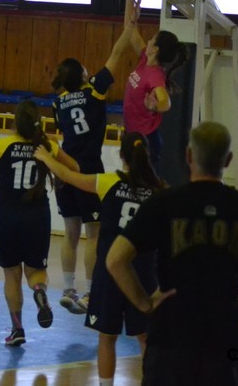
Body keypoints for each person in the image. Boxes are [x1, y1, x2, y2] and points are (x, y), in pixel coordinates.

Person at [106, 121, 238, 386]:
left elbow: (115, 260)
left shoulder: (164, 203)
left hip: (171, 335)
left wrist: (145, 304)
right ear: (228, 160)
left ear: (189, 156)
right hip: (224, 337)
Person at [35, 131, 165, 386]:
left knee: (107, 337)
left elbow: (68, 176)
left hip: (111, 273)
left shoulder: (108, 182)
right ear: (147, 155)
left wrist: (46, 157)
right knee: (145, 338)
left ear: (121, 156)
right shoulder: (159, 191)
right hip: (144, 274)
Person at [51, 0, 140, 314]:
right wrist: (130, 17)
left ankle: (68, 288)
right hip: (88, 169)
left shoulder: (58, 101)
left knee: (69, 233)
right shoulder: (94, 92)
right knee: (94, 233)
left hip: (64, 170)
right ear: (83, 75)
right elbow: (117, 53)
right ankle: (89, 294)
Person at [0, 100, 56, 347]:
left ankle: (17, 330)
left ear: (15, 122)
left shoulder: (1, 145)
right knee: (35, 271)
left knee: (12, 273)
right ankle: (39, 290)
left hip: (6, 214)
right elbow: (74, 168)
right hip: (37, 215)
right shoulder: (47, 146)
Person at [122, 0, 188, 166]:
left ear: (156, 49)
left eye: (152, 38)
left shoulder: (155, 76)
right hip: (132, 132)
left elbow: (166, 102)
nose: (149, 40)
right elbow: (129, 30)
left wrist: (155, 106)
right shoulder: (145, 58)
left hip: (146, 140)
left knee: (144, 181)